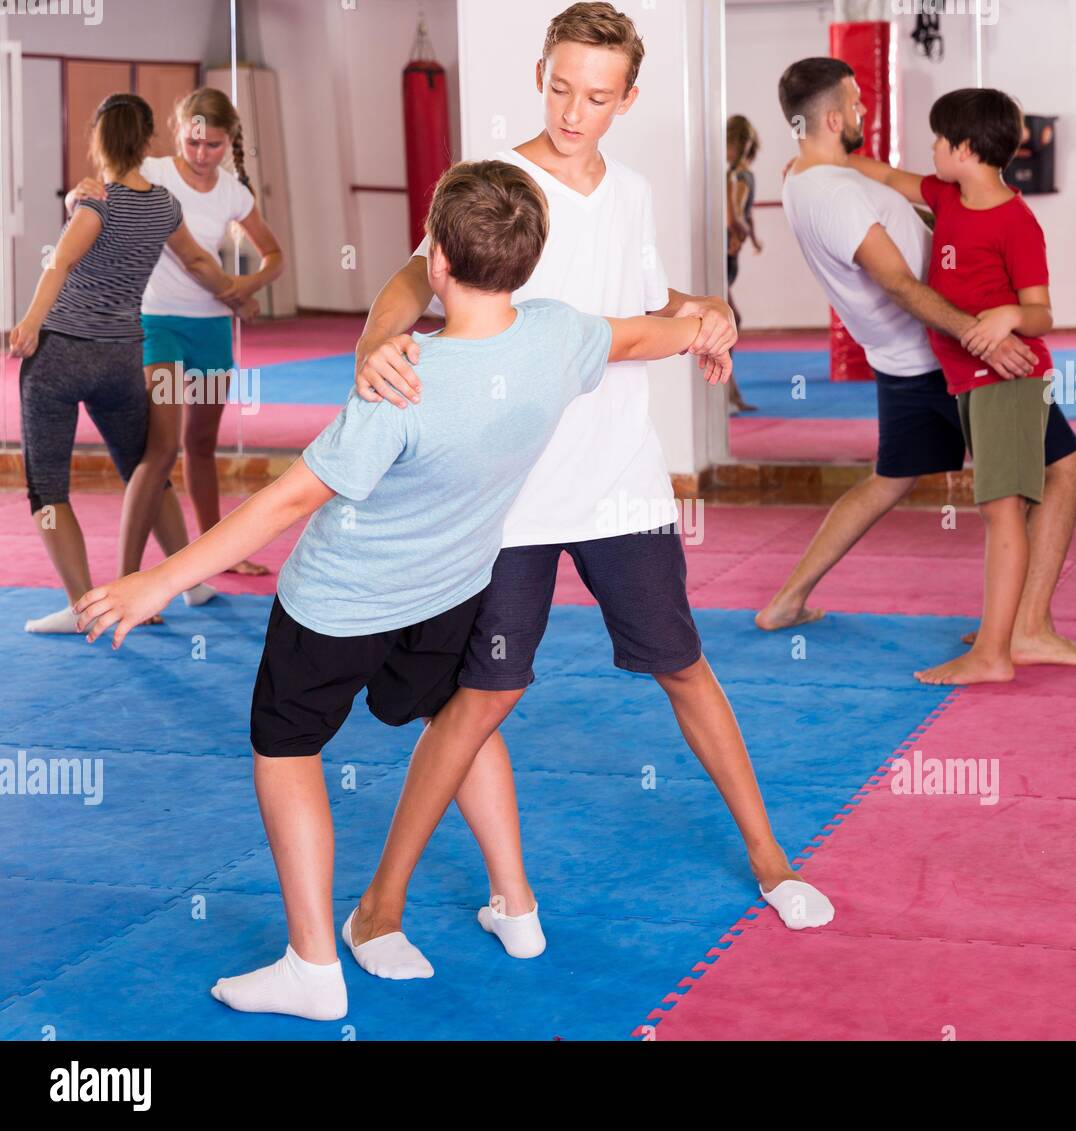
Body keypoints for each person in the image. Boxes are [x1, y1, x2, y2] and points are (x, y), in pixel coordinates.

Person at [73, 159, 730, 1021]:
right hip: (449, 595)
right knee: (451, 716)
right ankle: (518, 907)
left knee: (286, 748)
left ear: (438, 263)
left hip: (336, 605)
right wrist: (709, 320)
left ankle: (313, 965)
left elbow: (289, 499)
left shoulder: (403, 381)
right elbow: (653, 334)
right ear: (527, 264)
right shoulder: (560, 335)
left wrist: (157, 580)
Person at [348, 2, 834, 969]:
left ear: (629, 98)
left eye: (598, 96)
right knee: (484, 695)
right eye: (561, 87)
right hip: (507, 487)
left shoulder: (634, 192)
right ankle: (380, 907)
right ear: (541, 72)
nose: (575, 111)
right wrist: (374, 340)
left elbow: (647, 305)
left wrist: (710, 318)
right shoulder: (494, 181)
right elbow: (413, 278)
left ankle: (773, 860)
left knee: (684, 666)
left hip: (617, 478)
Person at [757, 59, 1076, 672]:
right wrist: (983, 335)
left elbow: (887, 176)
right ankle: (1023, 630)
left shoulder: (813, 179)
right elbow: (897, 284)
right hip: (948, 359)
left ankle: (788, 600)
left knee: (894, 479)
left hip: (913, 358)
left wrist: (813, 159)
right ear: (833, 118)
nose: (866, 112)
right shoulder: (833, 192)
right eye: (857, 105)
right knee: (1058, 474)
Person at [846, 88, 1076, 686]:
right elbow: (886, 174)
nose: (931, 149)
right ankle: (1006, 632)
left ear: (966, 148)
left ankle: (995, 653)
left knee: (1003, 513)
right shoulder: (946, 196)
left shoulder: (1016, 222)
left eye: (939, 140)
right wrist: (821, 160)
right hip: (971, 382)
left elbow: (1042, 313)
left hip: (1007, 380)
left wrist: (1006, 318)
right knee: (1012, 504)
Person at [8, 94, 237, 635]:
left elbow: (60, 264)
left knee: (47, 489)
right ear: (147, 141)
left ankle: (83, 607)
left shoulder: (96, 201)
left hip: (60, 353)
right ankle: (190, 579)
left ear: (98, 140)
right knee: (144, 466)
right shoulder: (162, 206)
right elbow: (198, 259)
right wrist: (236, 292)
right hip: (120, 357)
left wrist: (29, 324)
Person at [66, 87, 285, 577]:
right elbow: (94, 196)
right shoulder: (155, 173)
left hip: (209, 330)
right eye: (193, 143)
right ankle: (128, 579)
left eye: (214, 146)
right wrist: (73, 194)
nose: (202, 155)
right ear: (178, 131)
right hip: (157, 323)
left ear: (229, 142)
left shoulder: (233, 192)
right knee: (162, 448)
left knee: (202, 445)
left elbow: (275, 254)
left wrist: (239, 289)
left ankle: (214, 555)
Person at [725, 114, 760, 412]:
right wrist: (746, 233)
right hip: (724, 256)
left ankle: (730, 391)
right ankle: (727, 391)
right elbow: (735, 217)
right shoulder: (735, 177)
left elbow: (743, 214)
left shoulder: (739, 176)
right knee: (731, 320)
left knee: (731, 320)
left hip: (729, 256)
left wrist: (752, 234)